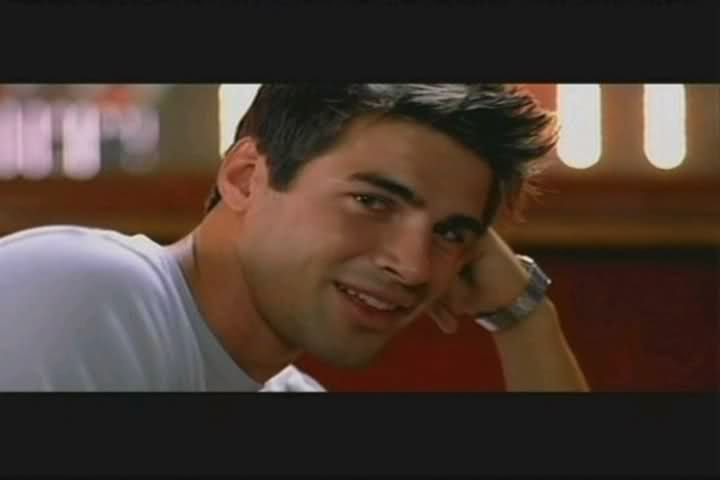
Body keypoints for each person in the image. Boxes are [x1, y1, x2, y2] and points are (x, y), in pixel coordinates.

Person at [0, 84, 588, 392]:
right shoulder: (83, 293)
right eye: (373, 202)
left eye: (451, 233)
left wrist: (524, 317)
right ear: (245, 178)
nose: (413, 267)